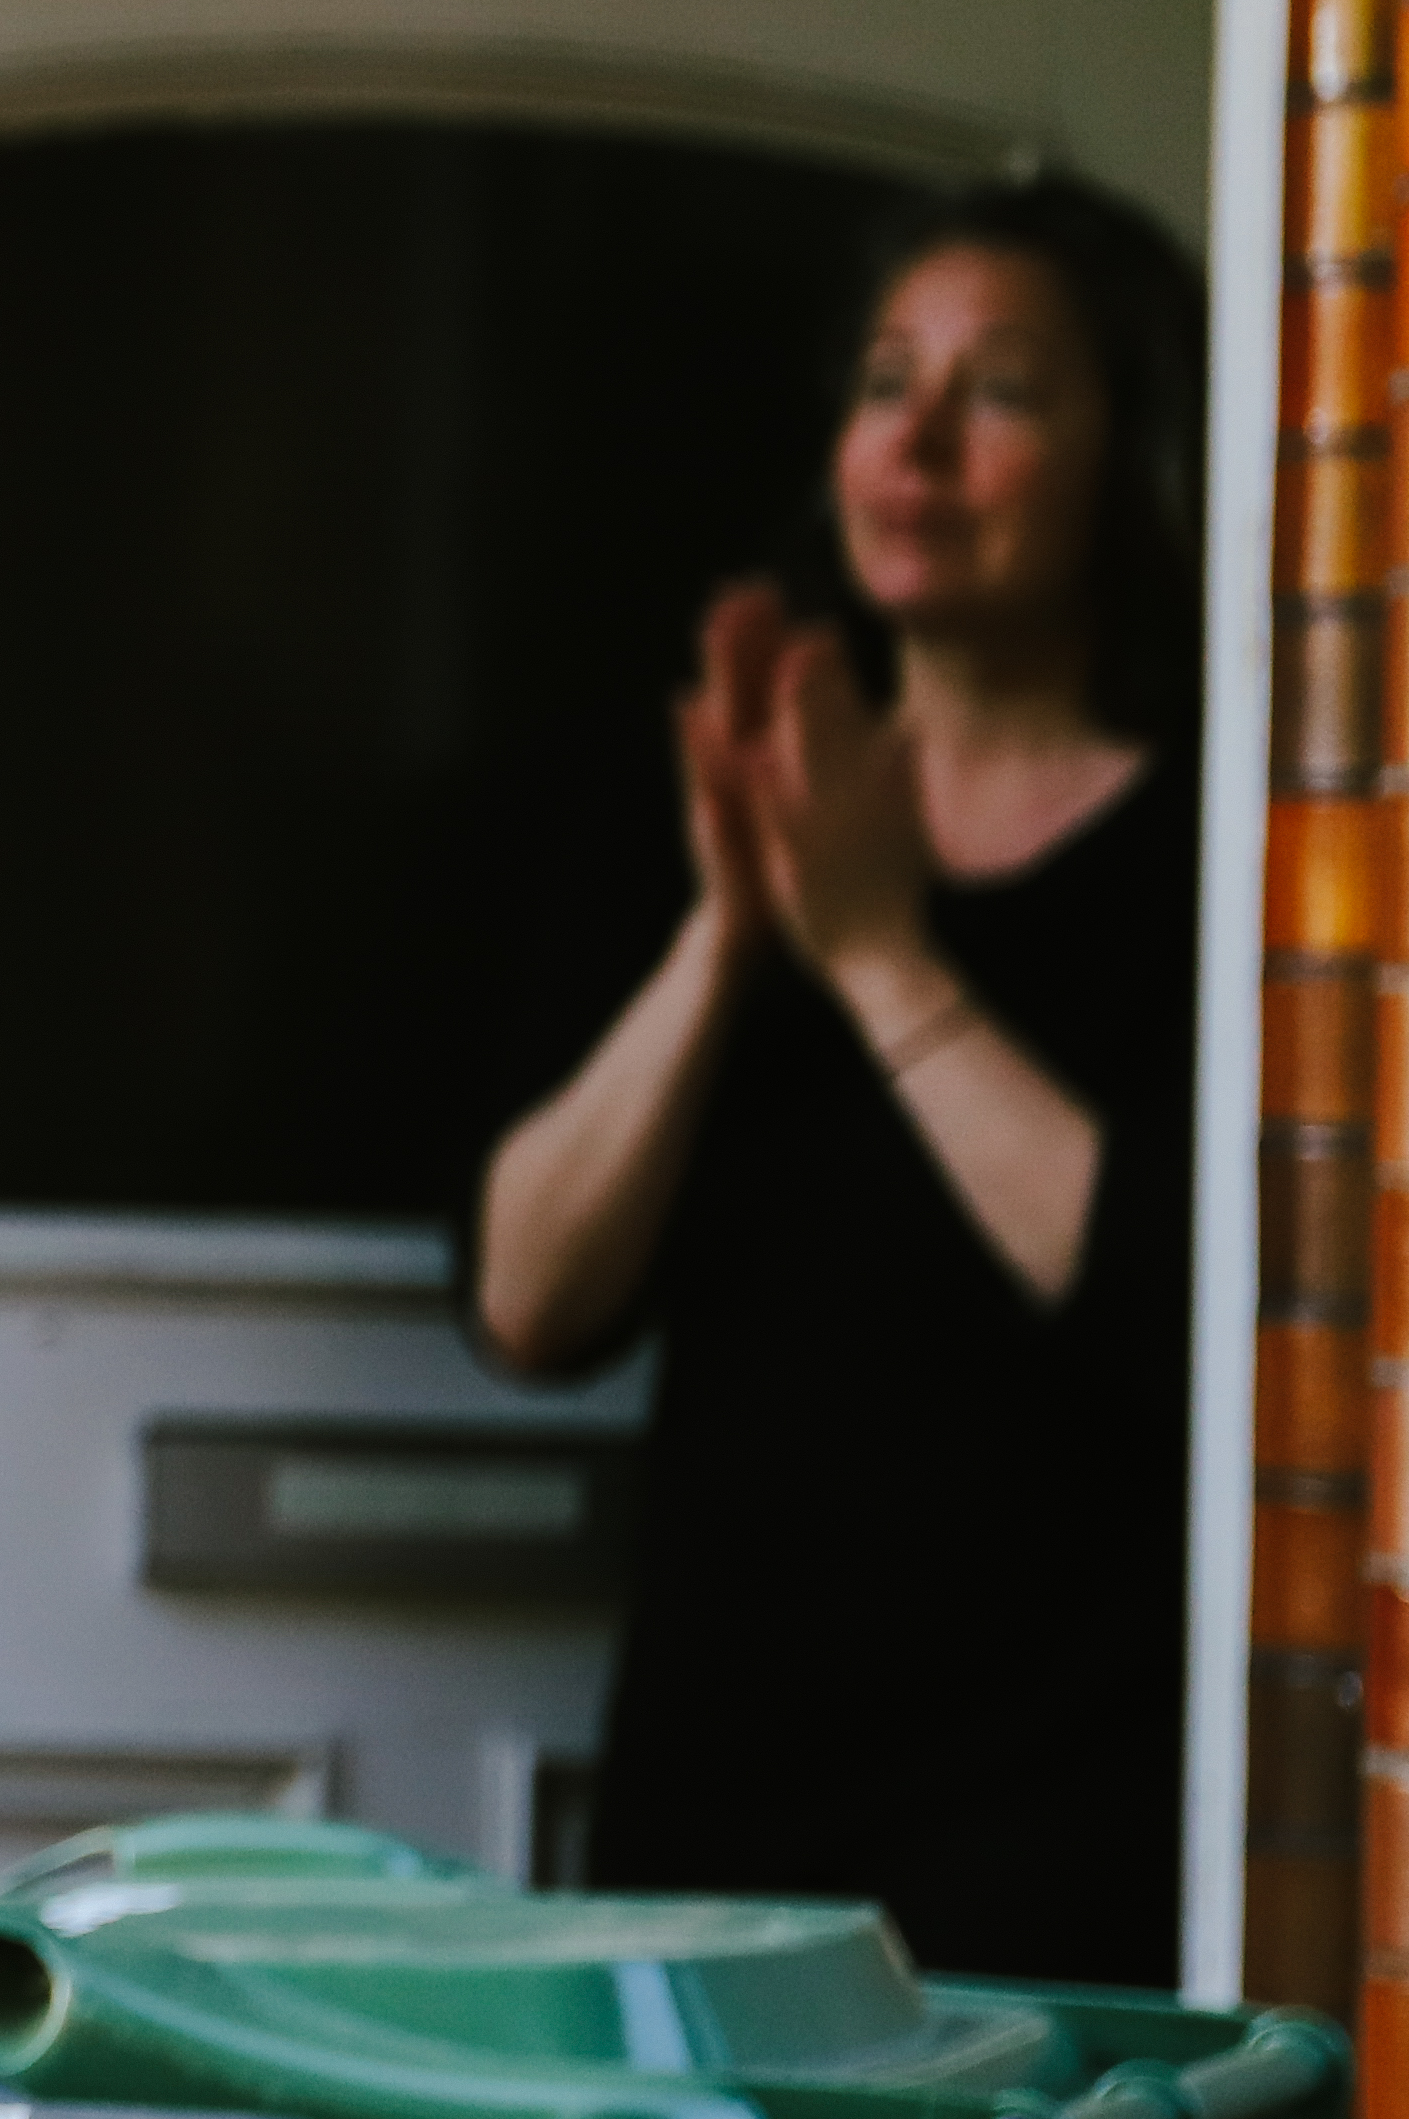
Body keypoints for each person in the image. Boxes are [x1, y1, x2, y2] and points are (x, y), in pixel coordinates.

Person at [474, 175, 1202, 1985]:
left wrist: (881, 957)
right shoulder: (722, 820)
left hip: (1054, 1833)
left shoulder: (1218, 858)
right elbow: (528, 1299)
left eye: (1005, 390)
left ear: (1132, 460)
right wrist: (733, 933)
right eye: (889, 381)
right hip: (710, 1826)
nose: (921, 440)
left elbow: (1172, 1307)